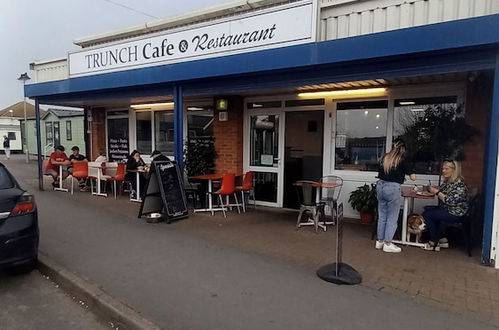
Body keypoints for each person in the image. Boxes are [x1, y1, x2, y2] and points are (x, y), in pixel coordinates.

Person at [375, 138, 416, 253]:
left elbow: (381, 173)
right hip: (392, 188)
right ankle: (388, 243)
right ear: (403, 148)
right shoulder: (403, 159)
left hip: (380, 186)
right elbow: (413, 177)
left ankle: (380, 241)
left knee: (382, 215)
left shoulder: (385, 157)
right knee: (392, 217)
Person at [422, 160, 469, 251]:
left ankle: (433, 241)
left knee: (427, 215)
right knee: (428, 210)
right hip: (449, 209)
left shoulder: (459, 184)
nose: (443, 171)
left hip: (456, 213)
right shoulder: (449, 182)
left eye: (446, 169)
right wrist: (434, 189)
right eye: (443, 169)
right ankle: (442, 240)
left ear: (454, 170)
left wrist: (437, 192)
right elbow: (442, 190)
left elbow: (450, 200)